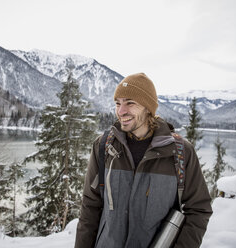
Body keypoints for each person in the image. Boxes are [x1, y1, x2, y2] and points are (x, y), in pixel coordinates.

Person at [75, 73, 212, 248]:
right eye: (118, 103)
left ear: (148, 107)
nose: (121, 111)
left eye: (130, 103)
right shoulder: (104, 146)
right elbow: (90, 207)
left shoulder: (180, 152)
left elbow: (198, 210)